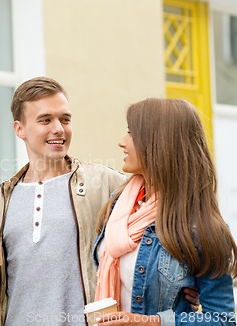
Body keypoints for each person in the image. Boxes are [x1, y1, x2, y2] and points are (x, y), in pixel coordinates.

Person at [0, 76, 127, 326]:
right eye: (45, 120)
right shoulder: (0, 200)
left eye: (65, 119)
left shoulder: (106, 184)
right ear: (20, 129)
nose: (59, 129)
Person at [93, 98, 237, 325]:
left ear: (158, 143)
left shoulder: (201, 229)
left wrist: (151, 322)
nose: (121, 142)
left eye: (131, 133)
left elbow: (222, 320)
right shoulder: (119, 204)